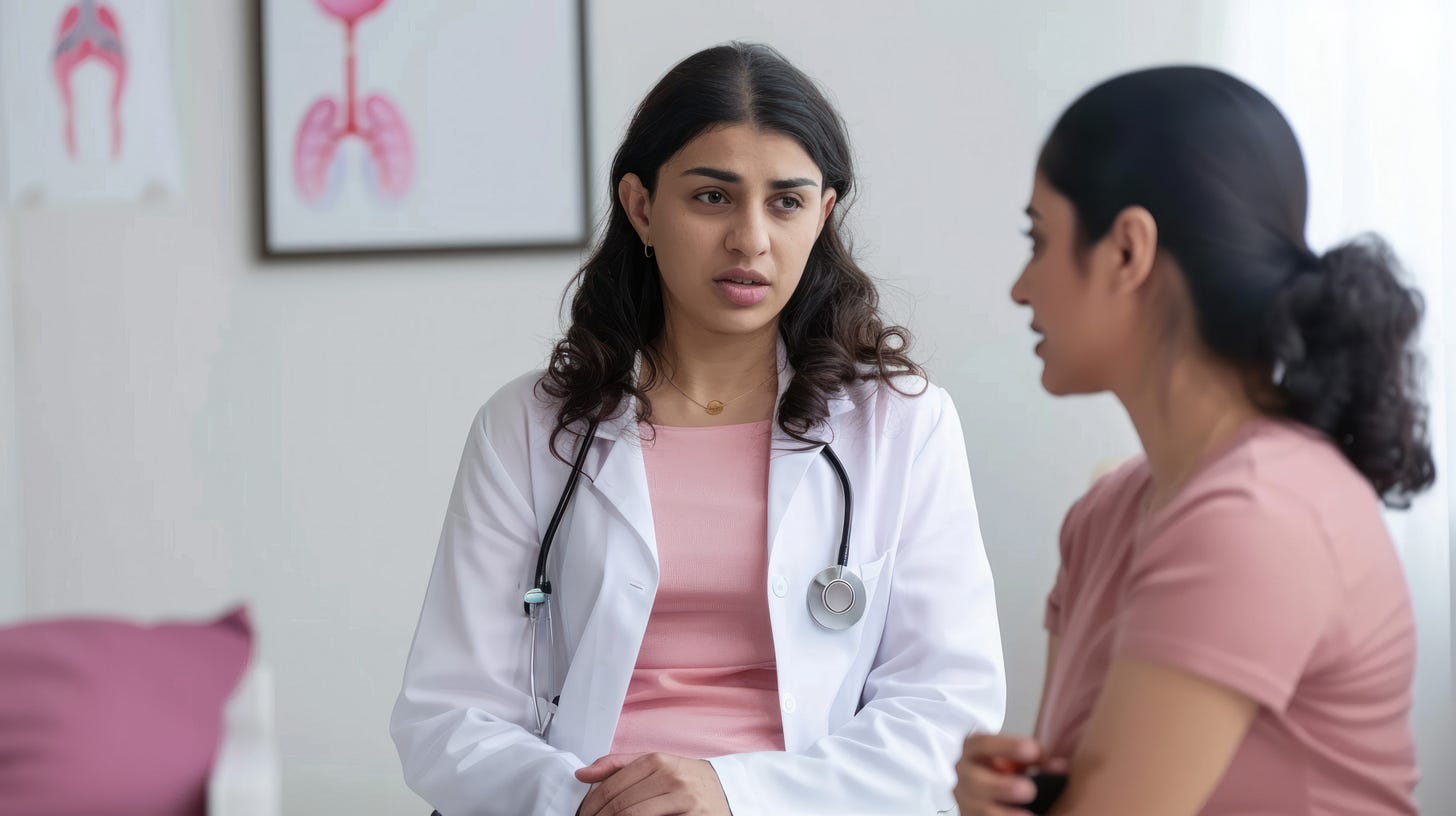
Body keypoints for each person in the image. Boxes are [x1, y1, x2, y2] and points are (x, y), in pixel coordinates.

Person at [391, 42, 1006, 816]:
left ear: (823, 215)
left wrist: (736, 794)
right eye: (713, 198)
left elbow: (948, 709)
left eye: (785, 202)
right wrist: (584, 803)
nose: (750, 239)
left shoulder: (900, 425)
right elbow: (448, 716)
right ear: (641, 206)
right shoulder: (528, 426)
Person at [954, 65, 1433, 816]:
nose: (1021, 287)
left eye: (1039, 240)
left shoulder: (1257, 516)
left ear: (1126, 252)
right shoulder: (1106, 513)